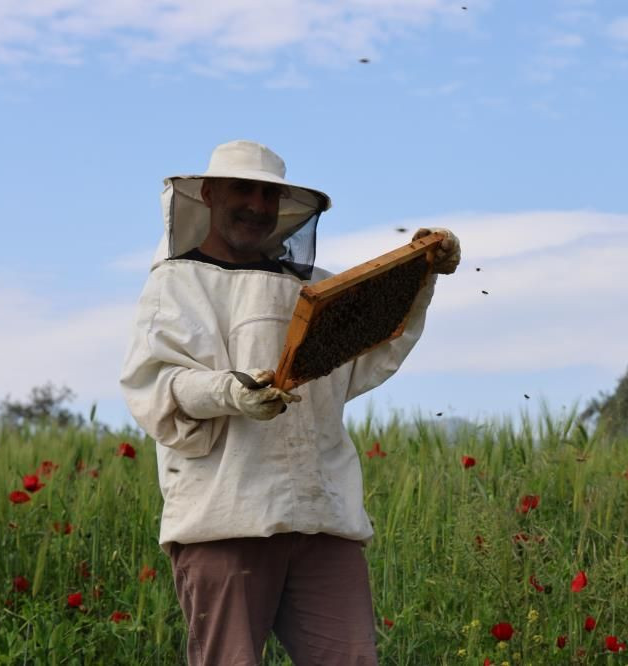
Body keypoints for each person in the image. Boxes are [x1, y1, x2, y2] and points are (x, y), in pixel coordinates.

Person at [119, 140, 460, 665]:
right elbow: (157, 386)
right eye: (244, 190)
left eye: (268, 195)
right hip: (226, 517)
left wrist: (424, 275)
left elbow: (370, 356)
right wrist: (230, 391)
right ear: (209, 194)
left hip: (324, 516)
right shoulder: (177, 282)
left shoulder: (318, 289)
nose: (257, 205)